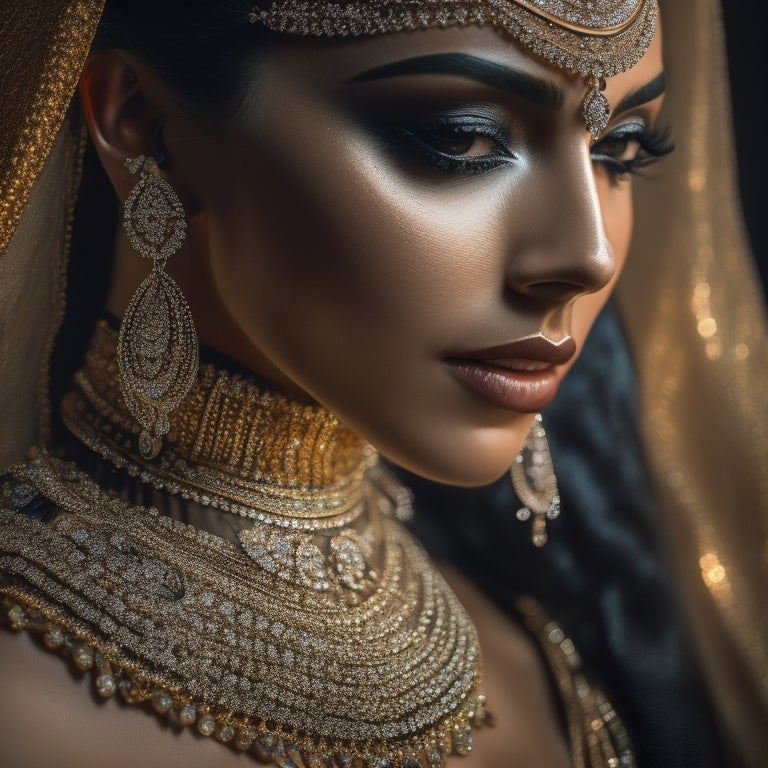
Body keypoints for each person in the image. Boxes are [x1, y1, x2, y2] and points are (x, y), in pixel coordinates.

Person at [0, 2, 764, 768]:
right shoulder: (22, 711)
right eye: (462, 137)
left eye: (621, 150)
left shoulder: (534, 647)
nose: (587, 254)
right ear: (142, 124)